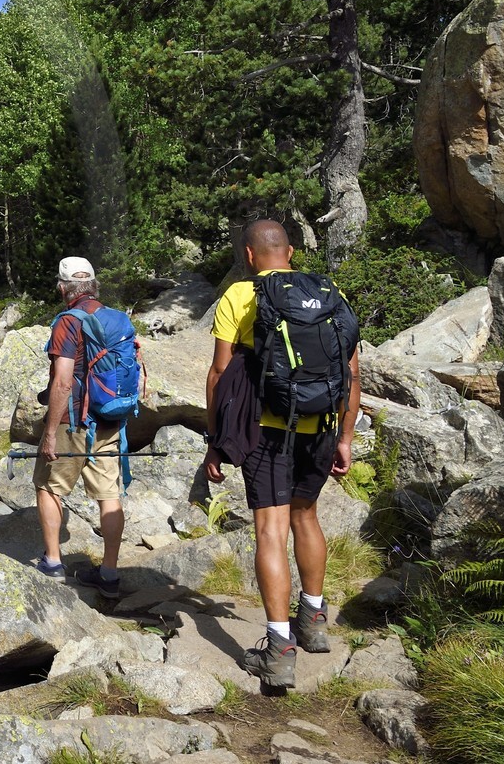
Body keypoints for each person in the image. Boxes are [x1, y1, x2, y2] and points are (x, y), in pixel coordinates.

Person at [203, 219, 360, 689]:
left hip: (266, 429)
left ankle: (278, 648)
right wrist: (344, 437)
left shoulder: (240, 297)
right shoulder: (331, 294)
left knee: (270, 530)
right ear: (290, 251)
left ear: (250, 257)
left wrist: (216, 439)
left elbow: (218, 372)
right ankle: (313, 621)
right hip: (320, 430)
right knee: (306, 517)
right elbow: (352, 372)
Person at [32, 256, 126, 599]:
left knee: (48, 486)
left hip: (75, 420)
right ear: (94, 285)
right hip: (111, 417)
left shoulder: (68, 322)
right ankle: (110, 574)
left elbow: (62, 382)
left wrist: (49, 432)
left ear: (63, 288)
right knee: (110, 494)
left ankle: (53, 563)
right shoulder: (116, 317)